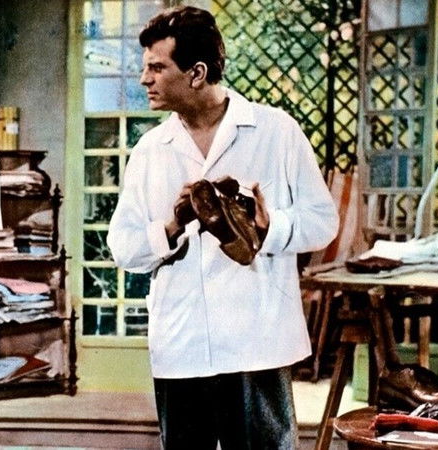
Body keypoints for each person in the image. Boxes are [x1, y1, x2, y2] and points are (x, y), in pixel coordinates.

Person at [106, 6, 338, 449]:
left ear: (196, 73)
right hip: (181, 346)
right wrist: (171, 227)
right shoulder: (151, 151)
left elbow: (322, 221)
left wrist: (270, 228)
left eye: (157, 67)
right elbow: (124, 247)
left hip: (257, 345)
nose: (144, 79)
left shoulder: (276, 132)